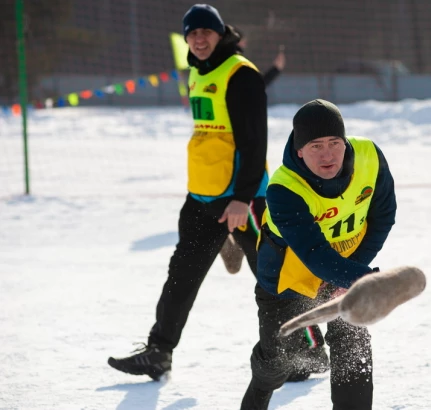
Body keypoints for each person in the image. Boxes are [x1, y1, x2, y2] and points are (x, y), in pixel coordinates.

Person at [107, 4, 327, 381]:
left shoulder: (241, 75)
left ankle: (310, 350)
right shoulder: (196, 70)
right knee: (182, 275)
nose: (199, 39)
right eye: (192, 34)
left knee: (276, 278)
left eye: (206, 32)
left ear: (220, 33)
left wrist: (242, 198)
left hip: (246, 200)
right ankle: (159, 351)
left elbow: (254, 142)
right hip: (203, 197)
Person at [240, 99, 397, 410]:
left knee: (353, 351)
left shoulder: (370, 158)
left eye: (334, 143)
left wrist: (352, 274)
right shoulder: (284, 189)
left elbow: (383, 217)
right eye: (315, 146)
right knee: (277, 362)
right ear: (299, 150)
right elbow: (313, 254)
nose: (328, 154)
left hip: (343, 270)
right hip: (287, 279)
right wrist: (360, 279)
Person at [219, 28, 287, 274]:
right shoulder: (234, 69)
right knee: (254, 219)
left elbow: (258, 86)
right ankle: (263, 267)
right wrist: (275, 70)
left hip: (250, 156)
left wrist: (275, 70)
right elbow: (258, 85)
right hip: (237, 157)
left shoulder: (233, 68)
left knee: (258, 215)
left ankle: (235, 244)